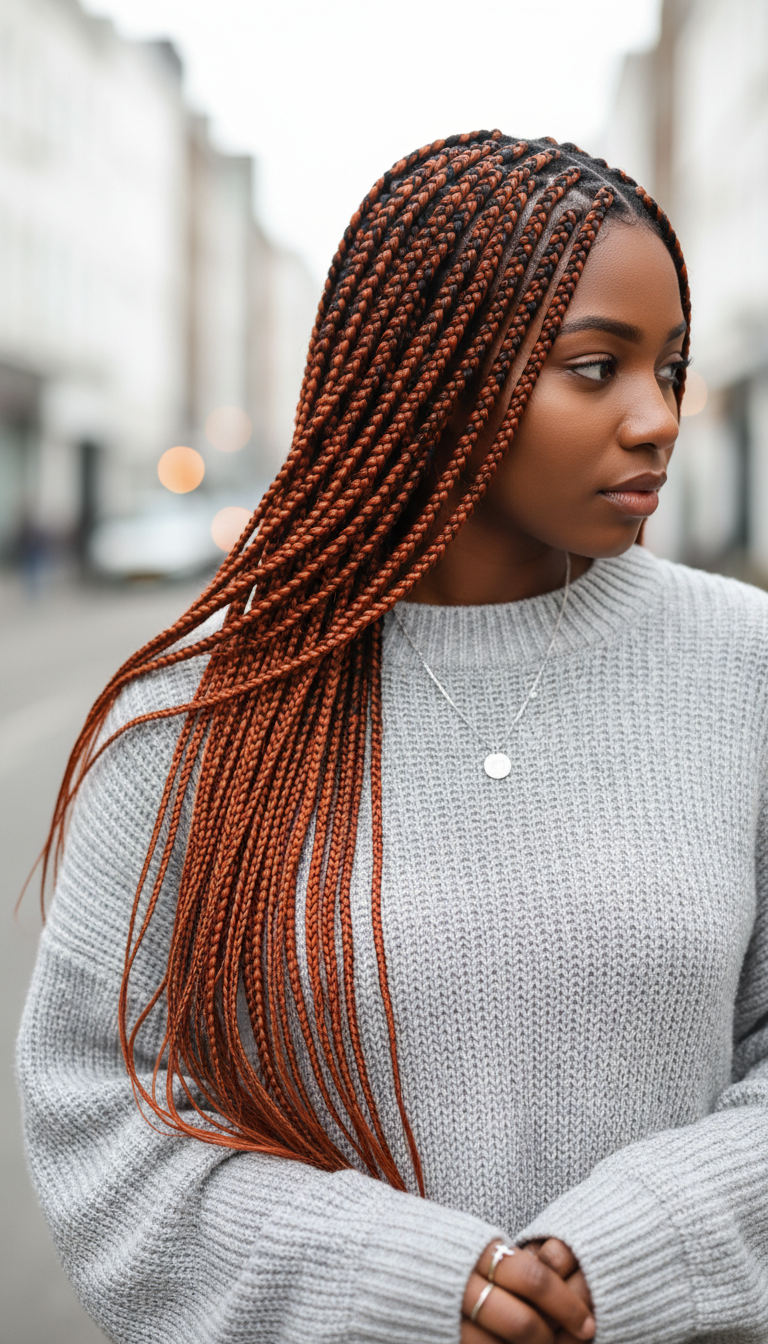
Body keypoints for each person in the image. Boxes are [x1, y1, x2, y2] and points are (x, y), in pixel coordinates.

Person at [16, 130, 768, 1343]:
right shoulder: (200, 717)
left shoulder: (749, 666)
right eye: (597, 368)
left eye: (671, 367)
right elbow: (111, 1114)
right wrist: (421, 1288)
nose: (658, 418)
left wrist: (622, 1254)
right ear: (439, 374)